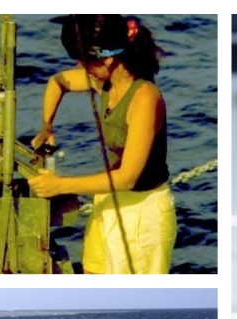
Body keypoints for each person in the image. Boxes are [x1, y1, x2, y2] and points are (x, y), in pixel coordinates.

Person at [27, 14, 177, 275]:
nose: (79, 65)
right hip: (108, 200)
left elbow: (127, 178)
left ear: (107, 58)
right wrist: (46, 125)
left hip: (142, 214)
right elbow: (58, 82)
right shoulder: (104, 81)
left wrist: (60, 185)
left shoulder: (145, 98)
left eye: (84, 60)